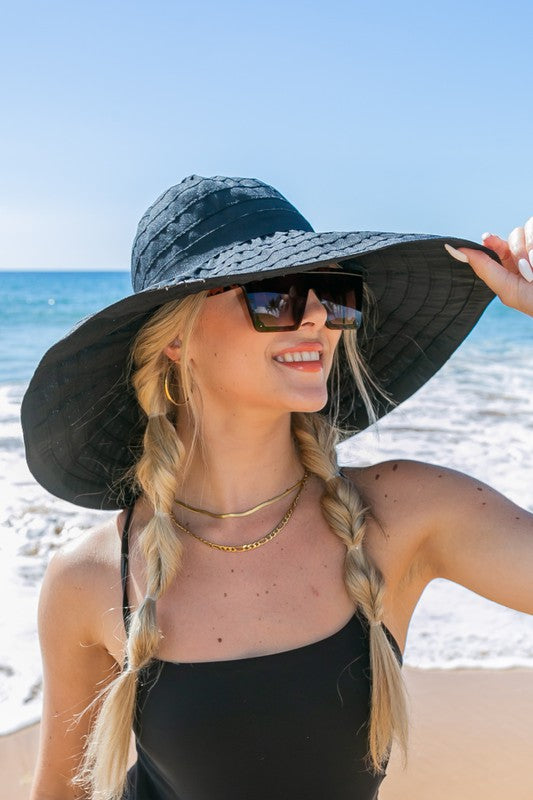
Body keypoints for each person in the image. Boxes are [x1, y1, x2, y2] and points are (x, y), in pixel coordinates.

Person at [22, 174, 533, 800]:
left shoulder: (401, 513)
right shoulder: (93, 576)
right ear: (176, 339)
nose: (318, 315)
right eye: (278, 295)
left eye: (336, 293)